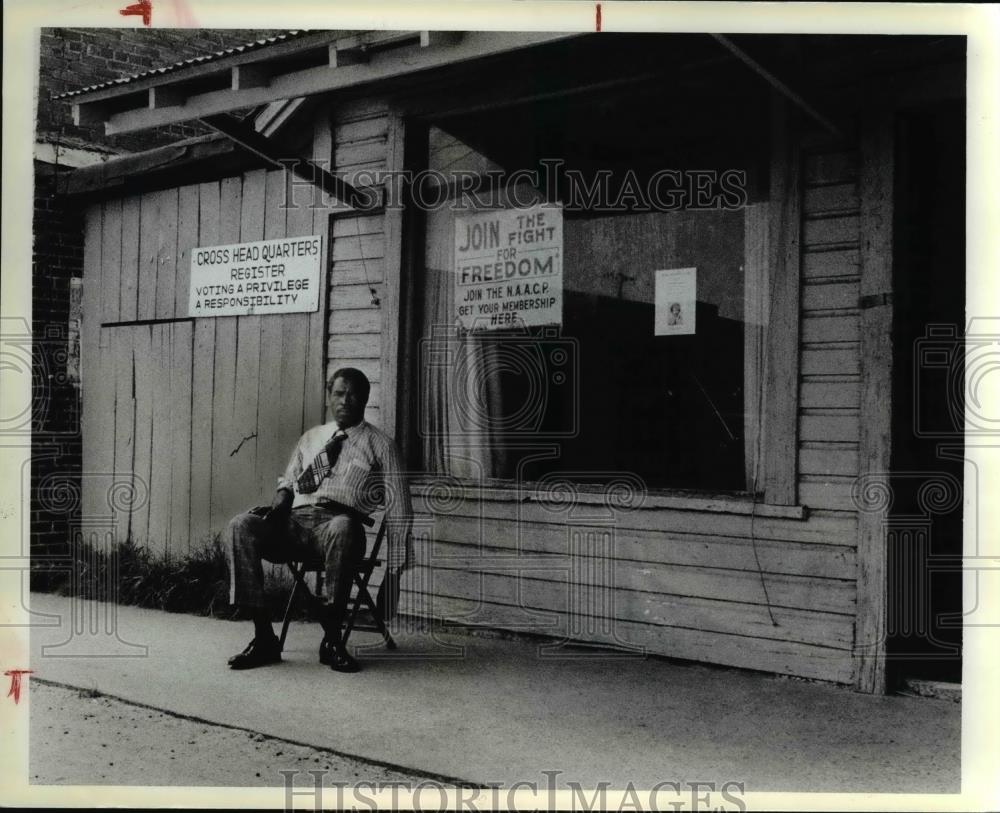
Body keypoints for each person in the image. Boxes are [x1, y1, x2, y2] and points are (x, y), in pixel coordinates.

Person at [223, 367, 412, 673]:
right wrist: (282, 496)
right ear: (329, 397)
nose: (345, 401)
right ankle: (263, 637)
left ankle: (332, 641)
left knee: (342, 526)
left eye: (353, 395)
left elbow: (400, 507)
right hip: (294, 523)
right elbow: (289, 479)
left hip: (338, 527)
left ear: (365, 399)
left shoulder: (381, 446)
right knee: (241, 525)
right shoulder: (312, 438)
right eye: (338, 393)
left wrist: (395, 570)